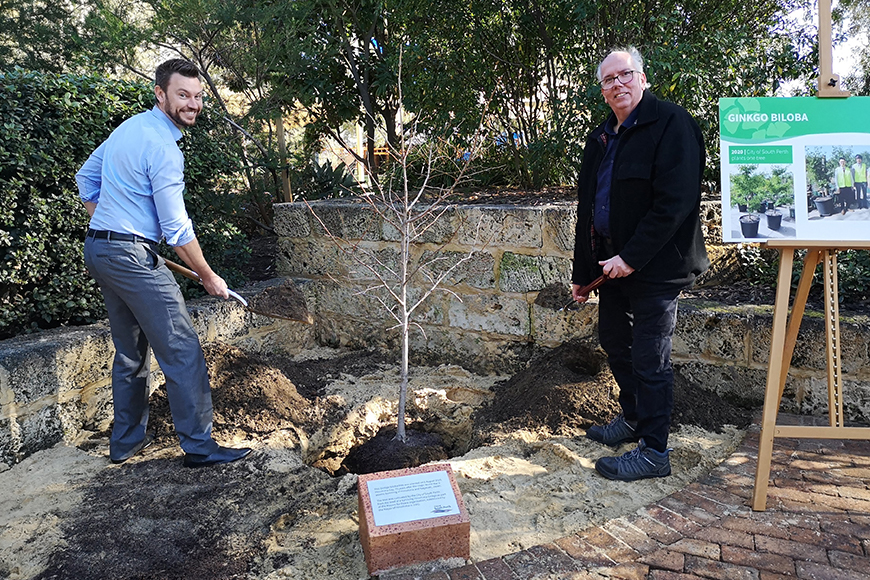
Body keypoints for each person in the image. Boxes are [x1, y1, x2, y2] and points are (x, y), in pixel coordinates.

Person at [76, 59, 252, 468]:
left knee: (130, 352)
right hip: (129, 255)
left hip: (101, 250)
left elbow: (87, 177)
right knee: (182, 349)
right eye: (182, 95)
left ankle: (125, 441)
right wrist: (208, 275)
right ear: (161, 94)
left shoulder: (131, 127)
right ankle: (200, 445)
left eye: (197, 96)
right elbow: (176, 227)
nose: (192, 104)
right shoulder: (163, 149)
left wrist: (108, 224)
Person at [571, 47, 709, 481]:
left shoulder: (672, 124)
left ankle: (654, 450)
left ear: (643, 78)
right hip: (609, 266)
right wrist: (582, 275)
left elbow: (676, 202)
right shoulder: (601, 138)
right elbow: (588, 210)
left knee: (651, 358)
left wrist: (630, 258)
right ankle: (631, 419)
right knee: (614, 340)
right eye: (608, 80)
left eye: (624, 75)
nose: (617, 85)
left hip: (656, 267)